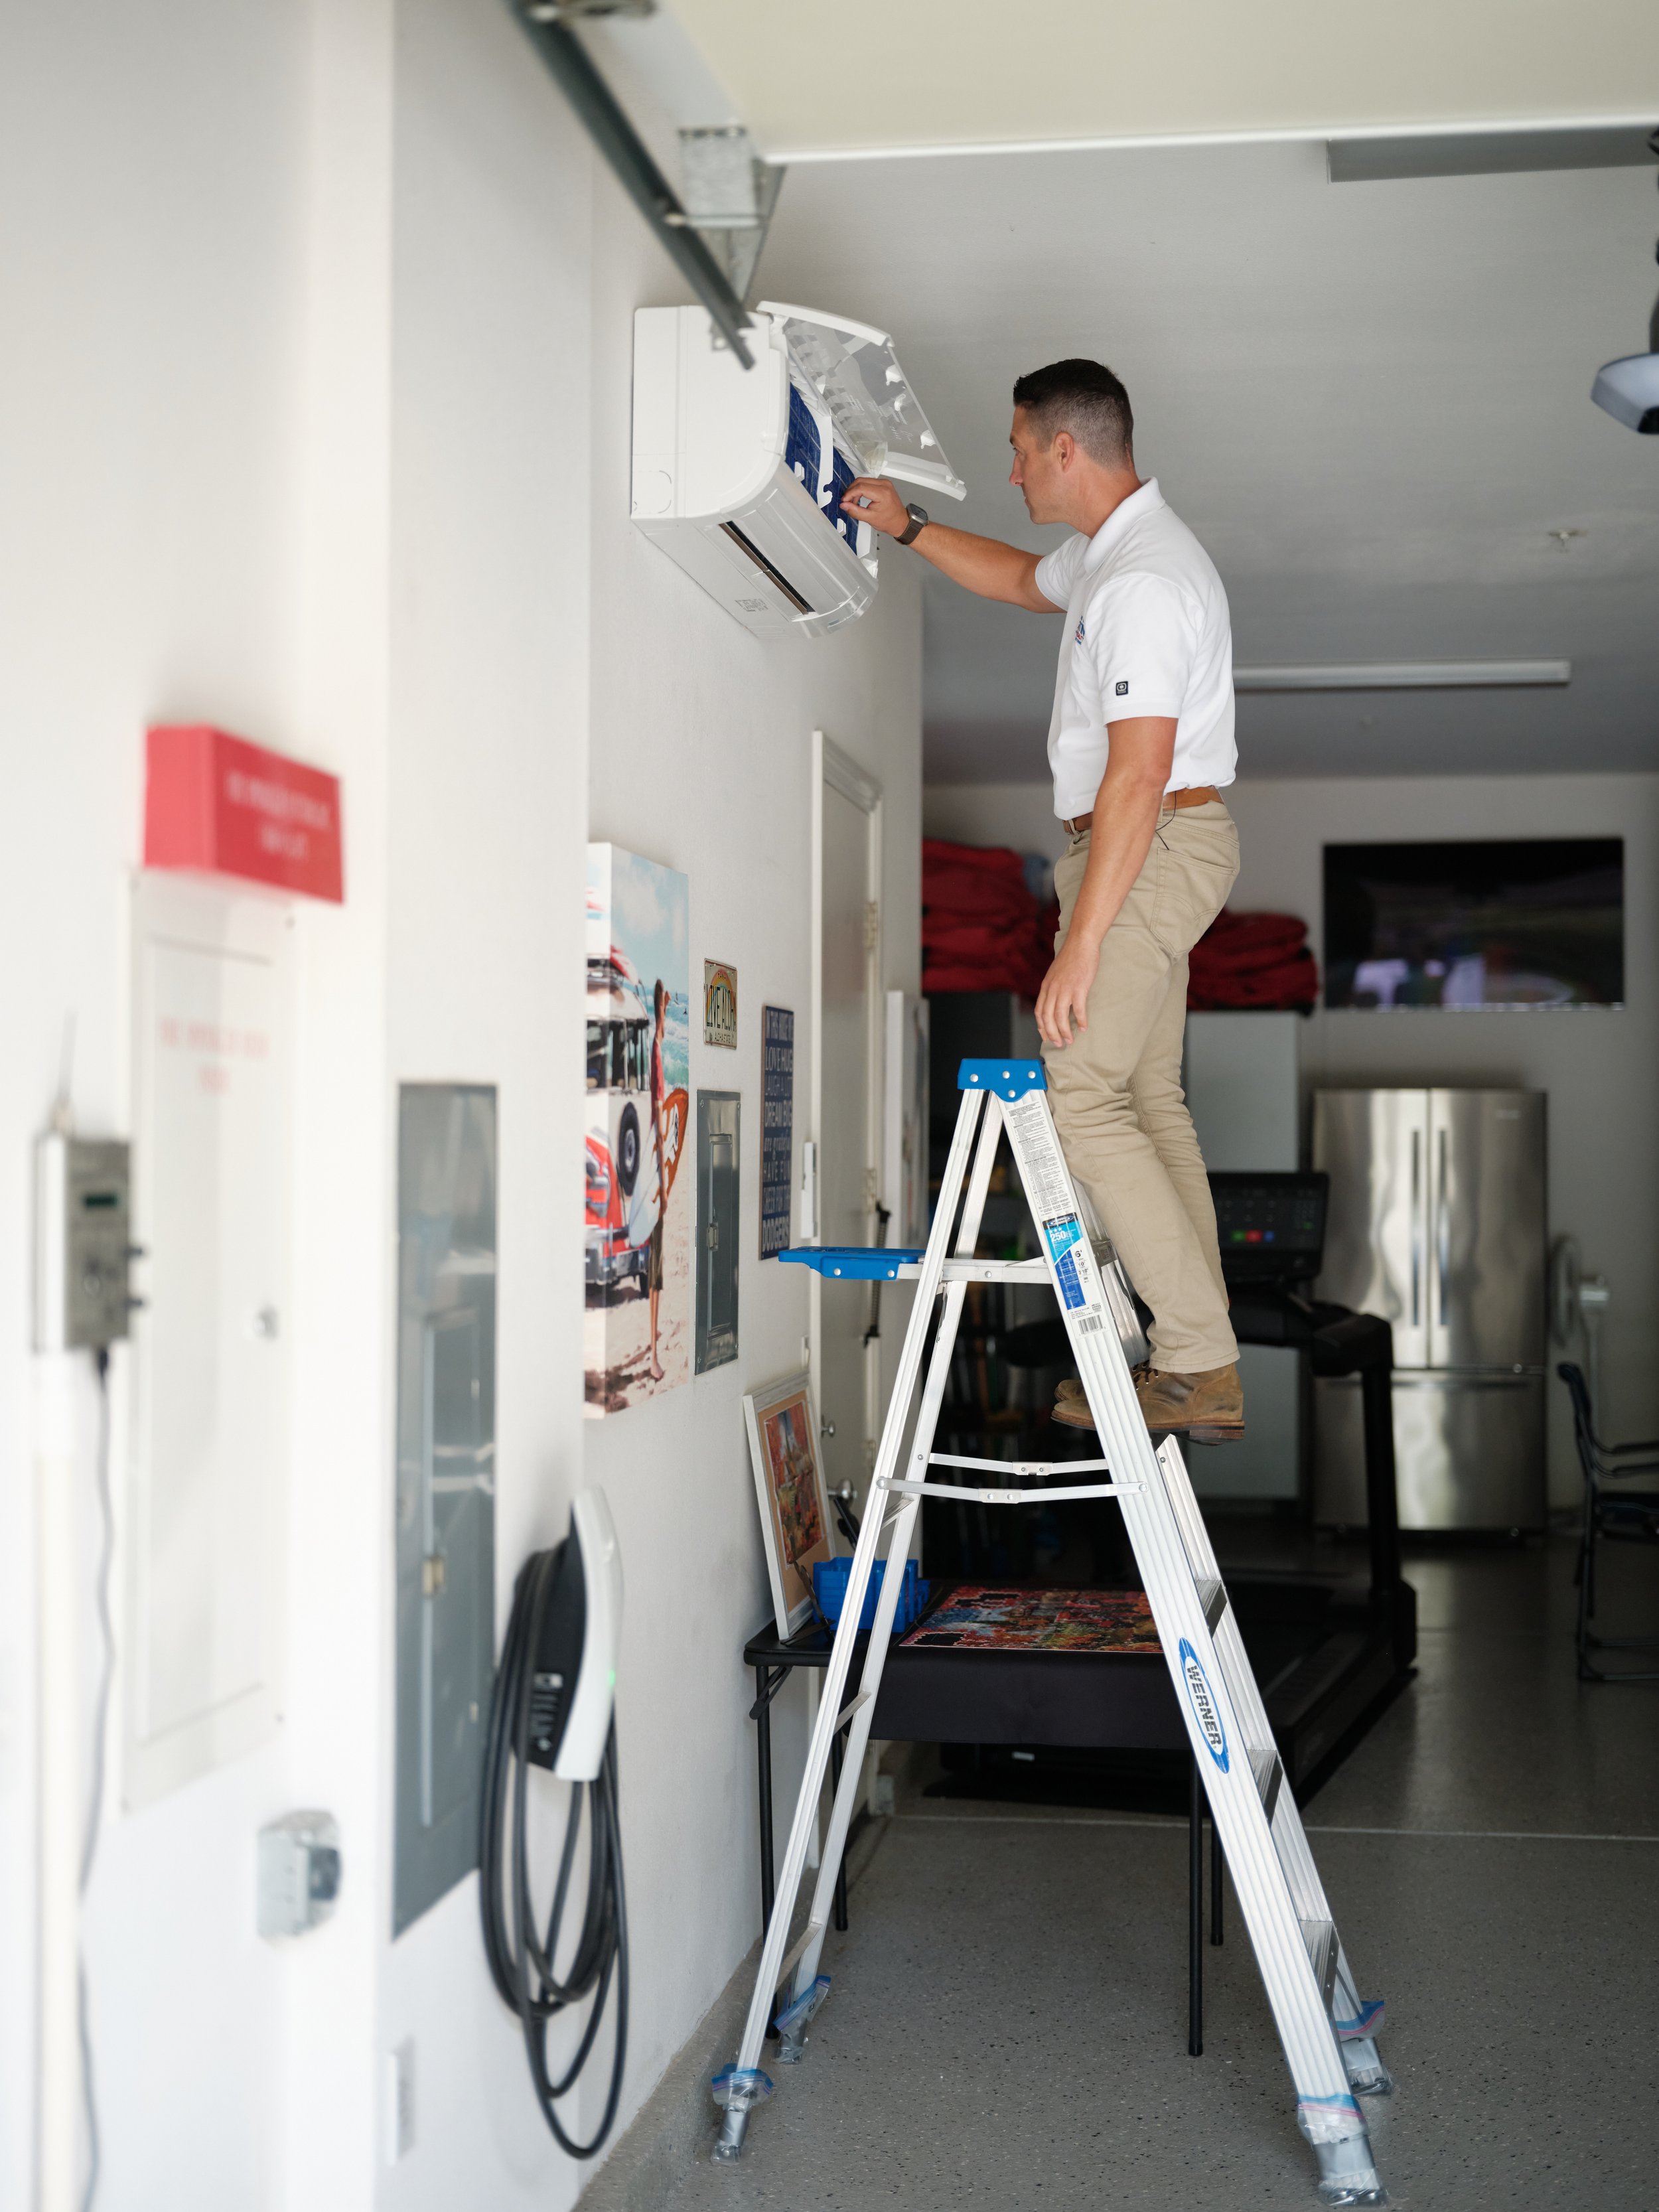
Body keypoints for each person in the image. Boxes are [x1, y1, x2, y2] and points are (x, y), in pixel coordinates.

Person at [842, 358, 1242, 1442]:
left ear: (1067, 448)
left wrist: (1082, 941)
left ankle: (1199, 1359)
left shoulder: (1144, 582)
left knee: (1083, 1098)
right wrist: (910, 526)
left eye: (1019, 447)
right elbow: (1023, 580)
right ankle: (1198, 1351)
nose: (1009, 466)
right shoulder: (1113, 558)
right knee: (1143, 1097)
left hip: (1147, 840)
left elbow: (1137, 776)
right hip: (1153, 842)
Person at [646, 978, 668, 1383]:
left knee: (657, 1269)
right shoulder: (655, 1059)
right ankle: (651, 1352)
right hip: (652, 1182)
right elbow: (659, 1133)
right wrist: (663, 1189)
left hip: (651, 1178)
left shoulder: (656, 1053)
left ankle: (652, 1344)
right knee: (655, 1271)